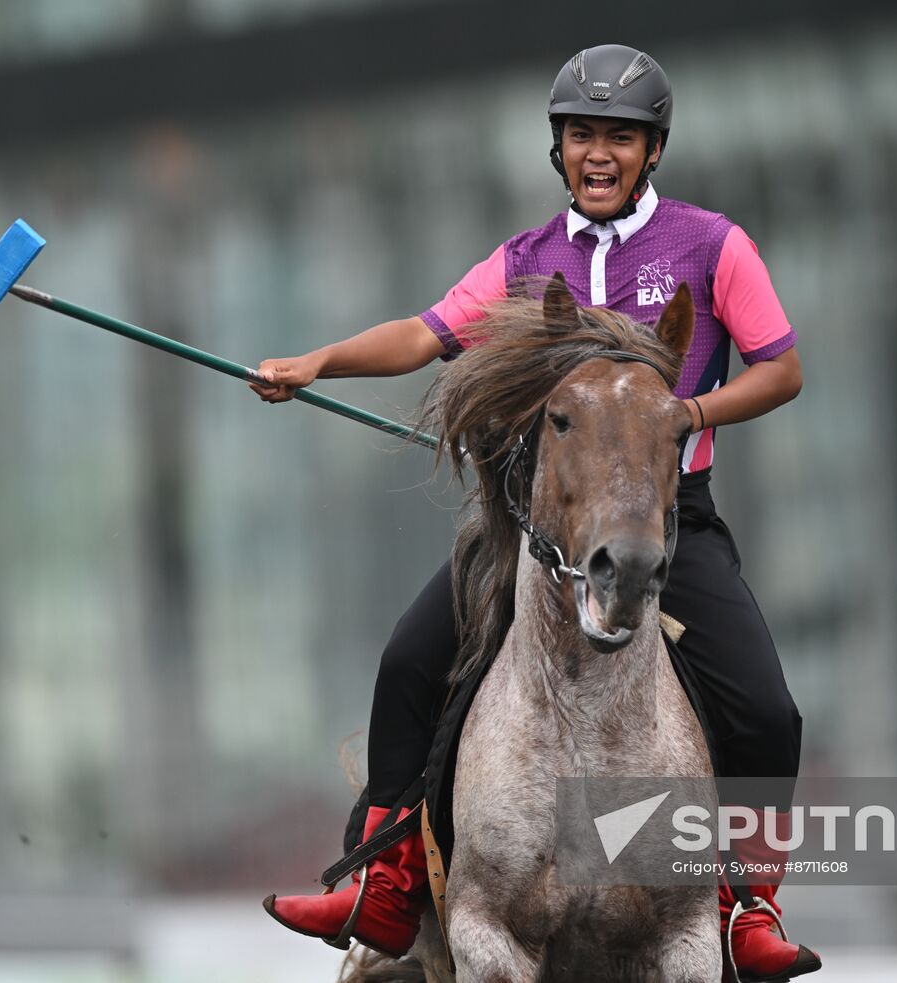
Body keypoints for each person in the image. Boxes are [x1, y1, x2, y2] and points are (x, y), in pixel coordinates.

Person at [253, 44, 818, 982]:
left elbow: (782, 367)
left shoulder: (715, 246)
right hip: (536, 533)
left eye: (621, 138)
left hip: (665, 520)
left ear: (654, 149)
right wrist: (317, 362)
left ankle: (746, 905)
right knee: (405, 661)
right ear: (559, 150)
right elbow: (423, 335)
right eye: (583, 136)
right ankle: (387, 883)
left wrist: (691, 413)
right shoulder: (524, 262)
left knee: (766, 708)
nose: (600, 154)